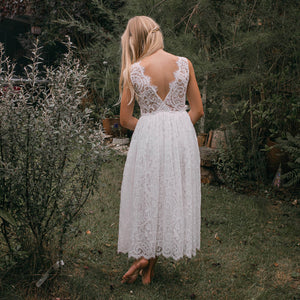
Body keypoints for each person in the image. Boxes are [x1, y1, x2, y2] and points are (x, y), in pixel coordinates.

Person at [117, 16, 204, 285]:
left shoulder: (133, 71)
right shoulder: (184, 63)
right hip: (181, 142)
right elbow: (197, 110)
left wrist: (152, 130)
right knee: (169, 196)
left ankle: (146, 258)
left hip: (149, 143)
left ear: (136, 39)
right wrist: (176, 131)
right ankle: (148, 266)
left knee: (149, 196)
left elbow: (125, 119)